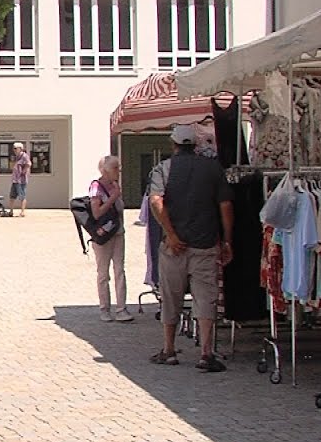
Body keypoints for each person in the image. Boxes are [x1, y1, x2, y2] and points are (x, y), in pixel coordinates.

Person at [147, 124, 234, 372]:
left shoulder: (163, 169)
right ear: (195, 145)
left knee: (170, 297)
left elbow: (156, 201)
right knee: (205, 298)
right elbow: (225, 206)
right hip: (205, 242)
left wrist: (171, 234)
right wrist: (227, 240)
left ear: (173, 144)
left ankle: (169, 349)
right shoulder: (212, 168)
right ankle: (206, 353)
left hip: (174, 246)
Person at [90, 156, 134, 322]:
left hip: (118, 232)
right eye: (115, 168)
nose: (118, 171)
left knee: (120, 270)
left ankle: (121, 309)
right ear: (105, 170)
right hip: (103, 235)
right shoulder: (96, 187)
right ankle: (104, 308)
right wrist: (113, 197)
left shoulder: (116, 186)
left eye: (119, 168)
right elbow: (97, 213)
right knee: (103, 273)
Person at [10, 142, 30, 216]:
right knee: (12, 196)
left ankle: (22, 212)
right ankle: (11, 211)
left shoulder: (24, 156)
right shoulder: (16, 157)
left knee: (22, 196)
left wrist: (23, 173)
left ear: (20, 149)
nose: (14, 150)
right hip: (15, 180)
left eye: (16, 148)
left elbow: (28, 164)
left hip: (21, 181)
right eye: (14, 149)